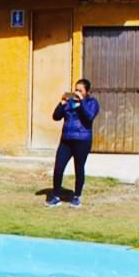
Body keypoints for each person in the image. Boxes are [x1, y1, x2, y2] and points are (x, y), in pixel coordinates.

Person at [47, 79, 100, 208]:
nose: (77, 92)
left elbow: (89, 117)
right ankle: (56, 195)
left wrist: (81, 102)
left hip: (82, 141)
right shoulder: (69, 103)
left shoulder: (92, 103)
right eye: (76, 89)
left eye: (80, 90)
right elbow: (56, 117)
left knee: (79, 168)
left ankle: (76, 196)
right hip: (66, 140)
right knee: (58, 167)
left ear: (87, 92)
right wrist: (61, 104)